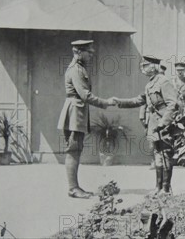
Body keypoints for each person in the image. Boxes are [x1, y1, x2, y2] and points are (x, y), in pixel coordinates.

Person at [57, 40, 115, 198]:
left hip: (77, 112)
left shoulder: (79, 68)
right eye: (88, 52)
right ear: (78, 52)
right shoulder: (76, 70)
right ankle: (73, 188)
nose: (91, 55)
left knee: (75, 150)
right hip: (75, 113)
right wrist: (106, 102)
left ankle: (74, 187)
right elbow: (85, 95)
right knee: (74, 150)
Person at [113, 56, 178, 195]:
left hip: (163, 124)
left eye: (145, 65)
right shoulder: (150, 84)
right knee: (157, 155)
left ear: (154, 66)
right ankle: (158, 187)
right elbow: (139, 100)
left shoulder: (164, 81)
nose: (142, 68)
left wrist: (163, 123)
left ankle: (166, 189)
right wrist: (119, 102)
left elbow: (173, 104)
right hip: (154, 124)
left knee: (166, 155)